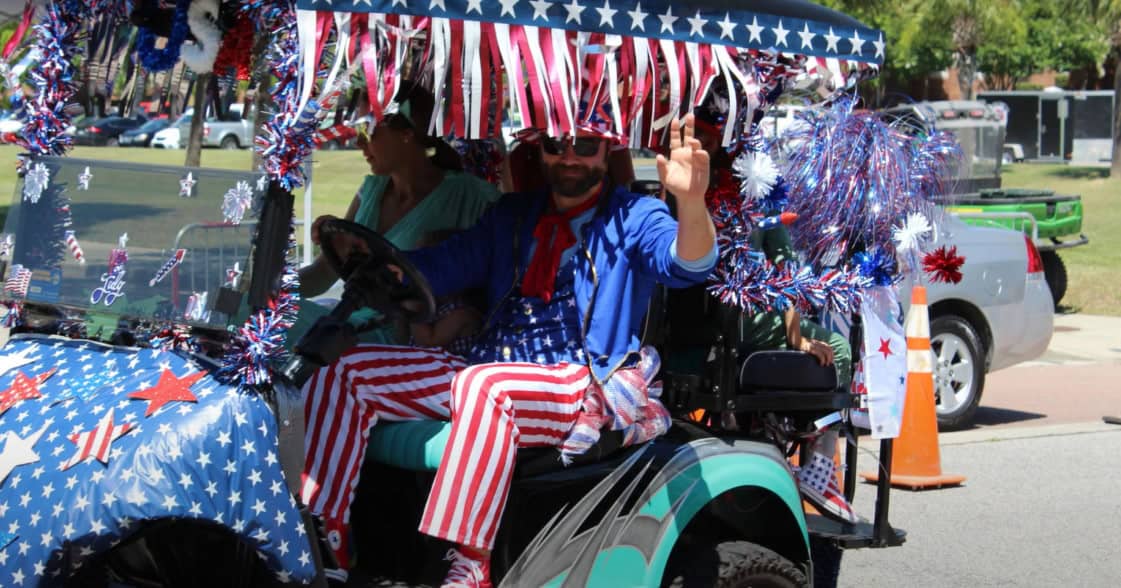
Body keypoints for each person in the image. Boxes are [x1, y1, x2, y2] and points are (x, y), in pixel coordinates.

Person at [300, 114, 717, 587]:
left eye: (586, 144)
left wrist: (691, 200)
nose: (571, 156)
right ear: (541, 149)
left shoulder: (633, 216)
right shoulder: (515, 216)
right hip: (494, 360)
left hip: (581, 377)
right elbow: (444, 265)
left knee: (485, 385)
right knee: (346, 367)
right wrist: (380, 264)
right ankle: (325, 535)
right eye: (559, 144)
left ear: (608, 151)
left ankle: (470, 562)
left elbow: (688, 264)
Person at [691, 105, 858, 524]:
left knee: (825, 340)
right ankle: (819, 463)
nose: (704, 147)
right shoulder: (726, 192)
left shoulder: (736, 192)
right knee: (838, 347)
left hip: (725, 315)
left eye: (710, 139)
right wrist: (796, 337)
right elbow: (783, 276)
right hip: (726, 314)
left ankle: (789, 442)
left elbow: (784, 274)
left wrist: (797, 336)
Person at [290, 82, 500, 346]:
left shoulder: (470, 195)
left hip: (398, 339)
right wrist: (272, 289)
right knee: (255, 312)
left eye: (367, 129)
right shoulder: (370, 190)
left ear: (406, 133)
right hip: (347, 325)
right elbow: (322, 275)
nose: (358, 141)